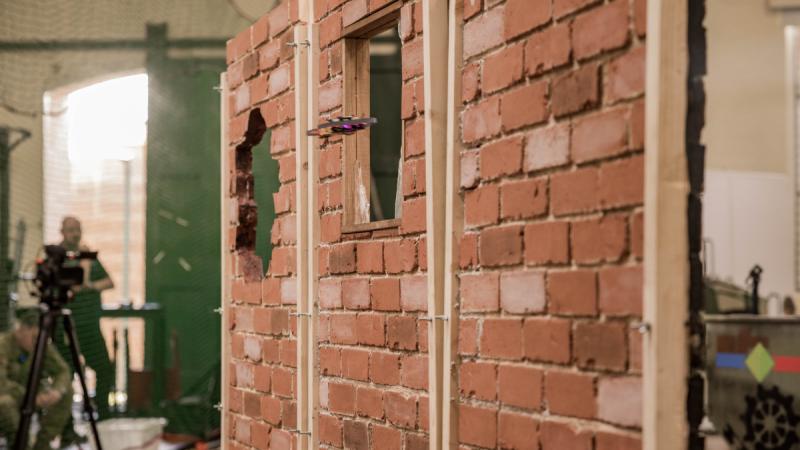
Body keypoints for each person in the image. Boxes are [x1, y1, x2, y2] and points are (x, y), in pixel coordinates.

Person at [54, 217, 114, 419]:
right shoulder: (57, 257)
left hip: (89, 327)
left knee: (104, 369)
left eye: (78, 229)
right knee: (66, 373)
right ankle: (67, 426)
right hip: (65, 328)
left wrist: (91, 285)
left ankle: (102, 415)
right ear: (62, 231)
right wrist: (84, 278)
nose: (75, 233)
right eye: (70, 229)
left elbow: (108, 281)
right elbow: (73, 286)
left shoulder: (88, 255)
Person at [0, 308, 73, 450]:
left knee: (66, 392)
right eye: (33, 337)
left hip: (33, 394)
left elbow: (63, 370)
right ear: (21, 330)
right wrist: (29, 396)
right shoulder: (3, 345)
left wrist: (56, 391)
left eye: (39, 338)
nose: (36, 342)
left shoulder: (40, 345)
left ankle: (42, 444)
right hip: (11, 395)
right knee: (5, 404)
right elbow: (1, 383)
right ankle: (21, 445)